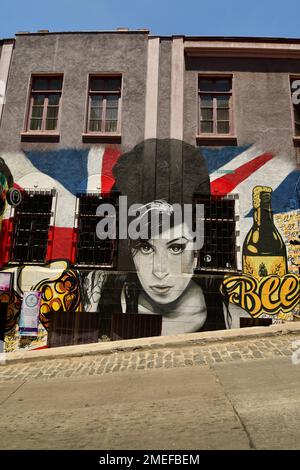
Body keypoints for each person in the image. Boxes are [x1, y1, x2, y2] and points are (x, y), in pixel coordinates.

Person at [80, 139, 228, 336]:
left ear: (197, 251)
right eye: (146, 247)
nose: (160, 271)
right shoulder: (103, 304)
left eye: (176, 248)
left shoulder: (229, 317)